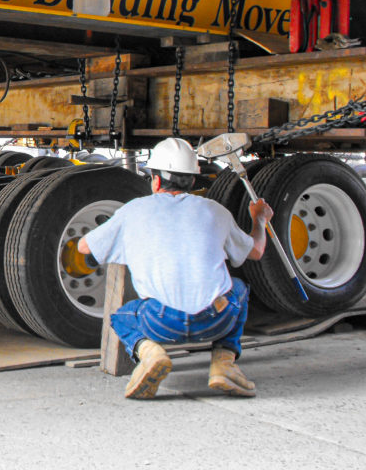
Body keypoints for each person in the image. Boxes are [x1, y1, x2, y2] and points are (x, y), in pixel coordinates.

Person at [79, 137, 274, 400]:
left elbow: (84, 248)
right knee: (238, 289)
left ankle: (150, 353)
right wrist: (259, 219)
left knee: (122, 316)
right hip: (215, 320)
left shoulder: (133, 211)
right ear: (193, 181)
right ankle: (223, 364)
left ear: (155, 180)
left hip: (161, 323)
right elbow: (256, 251)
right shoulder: (215, 211)